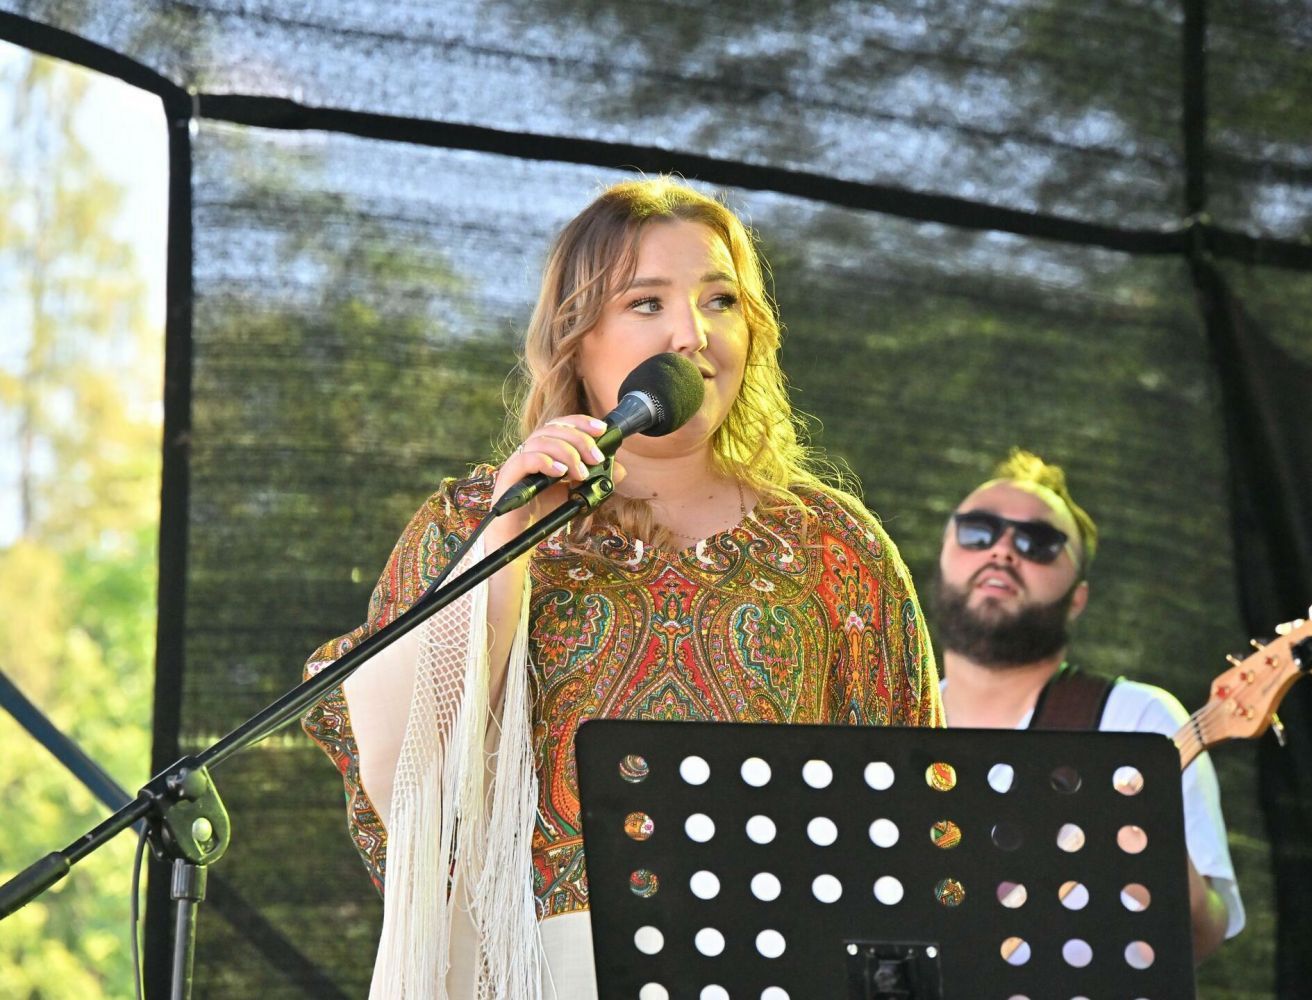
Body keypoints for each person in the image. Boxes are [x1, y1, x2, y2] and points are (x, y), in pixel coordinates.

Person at [299, 176, 943, 999]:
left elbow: (913, 810)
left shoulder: (832, 545)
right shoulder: (475, 521)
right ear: (576, 338)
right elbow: (403, 773)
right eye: (647, 303)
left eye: (721, 301)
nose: (692, 333)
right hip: (539, 973)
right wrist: (510, 534)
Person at [933, 448, 1243, 963]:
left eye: (1038, 542)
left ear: (1077, 598)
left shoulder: (1137, 724)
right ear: (943, 556)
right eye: (978, 530)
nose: (1003, 550)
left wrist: (1150, 848)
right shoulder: (883, 718)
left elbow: (1201, 938)